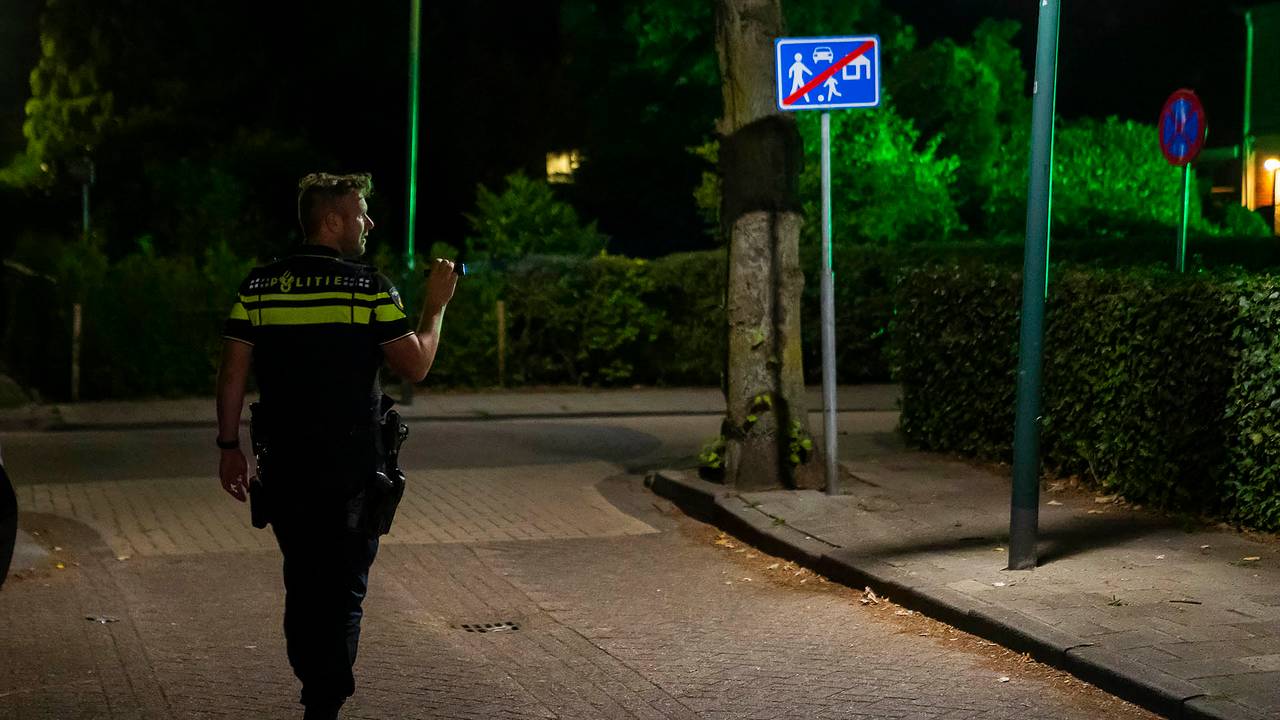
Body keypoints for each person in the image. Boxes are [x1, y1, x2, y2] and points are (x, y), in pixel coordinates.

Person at [215, 172, 457, 719]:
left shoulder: (258, 288)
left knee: (302, 579)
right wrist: (435, 305)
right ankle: (324, 701)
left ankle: (314, 685)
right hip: (351, 470)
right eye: (362, 213)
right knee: (344, 586)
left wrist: (230, 445)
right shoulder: (369, 287)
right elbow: (415, 364)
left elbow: (232, 373)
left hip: (285, 469)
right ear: (333, 221)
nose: (369, 224)